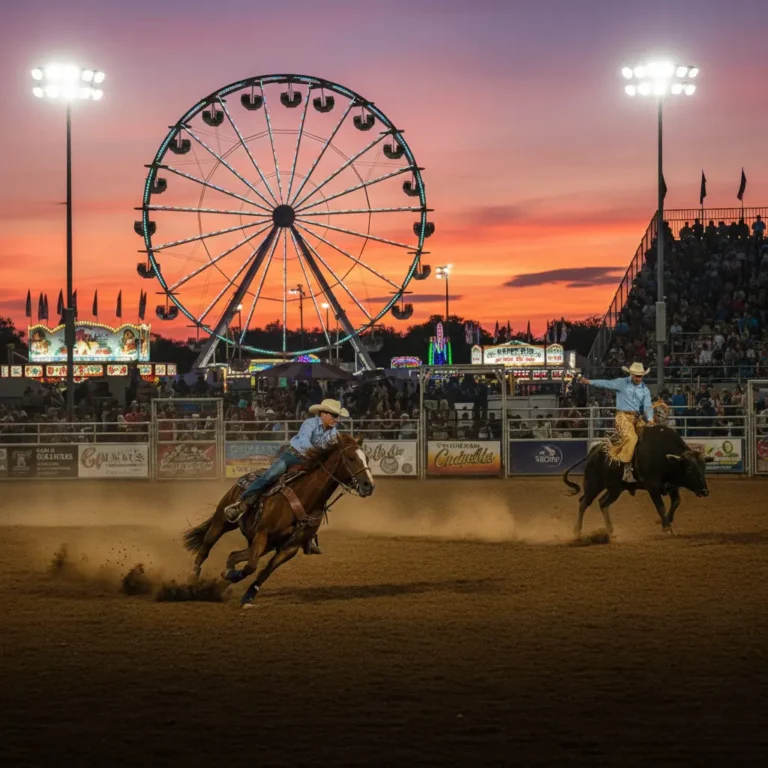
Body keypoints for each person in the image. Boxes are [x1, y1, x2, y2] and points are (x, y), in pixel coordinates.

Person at [223, 398, 350, 555]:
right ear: (323, 414)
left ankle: (309, 535)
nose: (336, 420)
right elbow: (303, 443)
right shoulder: (310, 424)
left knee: (316, 491)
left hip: (311, 462)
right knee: (270, 475)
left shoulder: (333, 433)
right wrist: (319, 454)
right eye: (334, 416)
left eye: (337, 416)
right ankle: (242, 503)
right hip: (293, 456)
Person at [580, 362, 655, 483]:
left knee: (650, 436)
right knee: (631, 438)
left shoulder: (644, 389)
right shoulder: (622, 383)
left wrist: (650, 419)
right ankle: (627, 468)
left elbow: (647, 405)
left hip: (637, 418)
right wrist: (589, 382)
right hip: (623, 417)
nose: (638, 378)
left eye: (640, 376)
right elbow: (606, 383)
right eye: (636, 375)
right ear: (631, 374)